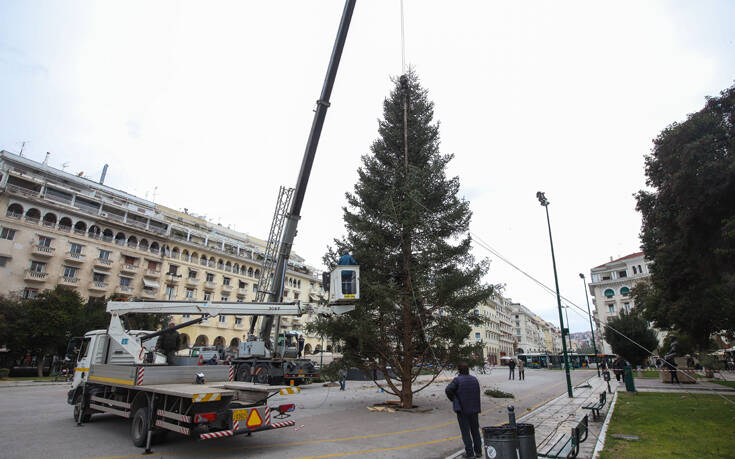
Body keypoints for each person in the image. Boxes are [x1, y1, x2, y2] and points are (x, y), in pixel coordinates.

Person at [445, 362, 482, 458]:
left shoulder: (457, 380)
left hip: (462, 410)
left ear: (459, 370)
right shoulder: (474, 379)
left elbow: (448, 390)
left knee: (466, 433)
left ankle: (470, 454)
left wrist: (453, 399)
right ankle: (478, 451)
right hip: (474, 409)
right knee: (475, 431)